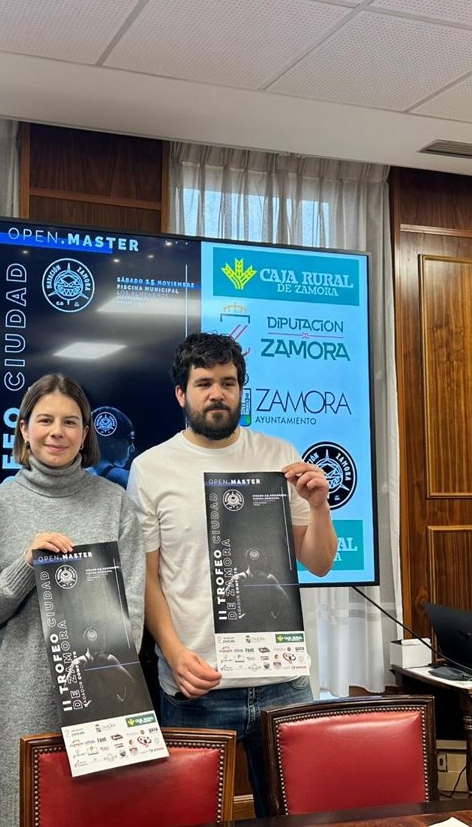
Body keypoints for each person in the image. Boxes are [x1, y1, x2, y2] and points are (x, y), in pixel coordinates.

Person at [126, 332, 337, 816]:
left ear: (242, 389)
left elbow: (320, 561)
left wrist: (319, 506)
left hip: (283, 680)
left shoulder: (279, 454)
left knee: (294, 817)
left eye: (228, 382)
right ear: (181, 394)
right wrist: (174, 654)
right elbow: (146, 578)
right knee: (191, 816)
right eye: (204, 384)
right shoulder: (151, 468)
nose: (217, 394)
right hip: (197, 684)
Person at [0, 374, 145, 827]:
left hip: (100, 700)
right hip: (15, 706)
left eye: (70, 422)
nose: (57, 432)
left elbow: (133, 611)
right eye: (45, 420)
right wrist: (27, 565)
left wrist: (106, 679)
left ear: (85, 434)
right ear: (24, 429)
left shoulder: (116, 504)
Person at [87, 405, 135, 488]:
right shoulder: (123, 478)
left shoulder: (75, 475)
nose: (132, 449)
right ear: (113, 444)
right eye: (129, 441)